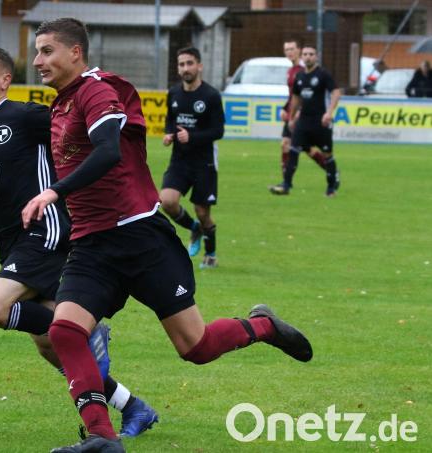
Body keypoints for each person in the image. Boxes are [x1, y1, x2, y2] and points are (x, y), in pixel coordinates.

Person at [22, 18, 313, 453]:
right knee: (64, 331)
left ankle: (264, 326)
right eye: (36, 52)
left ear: (75, 53)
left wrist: (53, 192)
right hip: (93, 246)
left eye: (46, 51)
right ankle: (103, 439)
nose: (37, 60)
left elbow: (107, 151)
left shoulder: (98, 90)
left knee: (195, 347)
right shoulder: (60, 105)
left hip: (140, 239)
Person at [0, 45, 159, 438]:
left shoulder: (26, 116)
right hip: (12, 244)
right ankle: (134, 408)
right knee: (49, 345)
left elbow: (80, 136)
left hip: (46, 229)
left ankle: (87, 331)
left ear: (5, 79)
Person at [159, 47, 224, 269]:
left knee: (203, 212)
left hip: (204, 162)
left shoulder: (211, 95)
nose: (185, 68)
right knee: (166, 201)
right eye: (181, 64)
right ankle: (193, 228)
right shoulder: (174, 93)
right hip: (179, 160)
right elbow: (170, 120)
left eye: (189, 63)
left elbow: (218, 131)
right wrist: (169, 134)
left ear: (199, 66)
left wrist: (192, 136)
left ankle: (211, 253)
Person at [270, 44, 342, 197]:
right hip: (303, 121)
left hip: (321, 121)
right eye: (305, 54)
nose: (308, 56)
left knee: (327, 154)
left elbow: (336, 91)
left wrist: (329, 112)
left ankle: (331, 188)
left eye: (311, 54)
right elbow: (296, 97)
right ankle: (286, 185)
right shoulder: (300, 76)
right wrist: (292, 117)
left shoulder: (323, 74)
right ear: (302, 57)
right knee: (293, 150)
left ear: (316, 56)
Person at [275, 38, 326, 186]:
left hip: (301, 115)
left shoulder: (304, 70)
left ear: (299, 50)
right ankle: (331, 170)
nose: (289, 52)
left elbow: (307, 94)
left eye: (292, 49)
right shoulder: (290, 71)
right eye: (286, 50)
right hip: (292, 114)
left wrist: (299, 112)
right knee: (298, 146)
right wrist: (285, 109)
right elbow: (293, 95)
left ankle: (286, 182)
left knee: (290, 145)